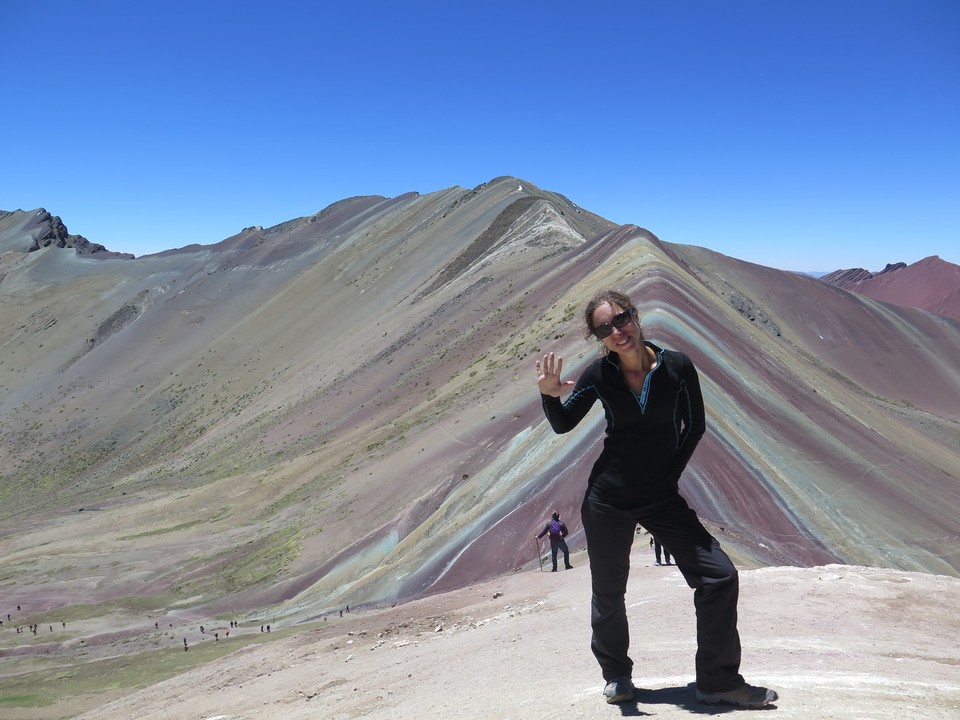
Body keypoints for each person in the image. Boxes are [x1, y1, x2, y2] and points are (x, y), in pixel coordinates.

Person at [535, 288, 777, 708]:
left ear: (635, 314)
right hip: (607, 498)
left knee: (719, 575)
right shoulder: (599, 375)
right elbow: (562, 424)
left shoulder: (677, 367)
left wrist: (668, 476)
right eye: (604, 328)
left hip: (660, 496)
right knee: (609, 591)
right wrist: (549, 395)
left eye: (621, 318)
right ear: (598, 337)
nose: (617, 330)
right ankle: (617, 677)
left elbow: (694, 425)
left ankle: (718, 682)